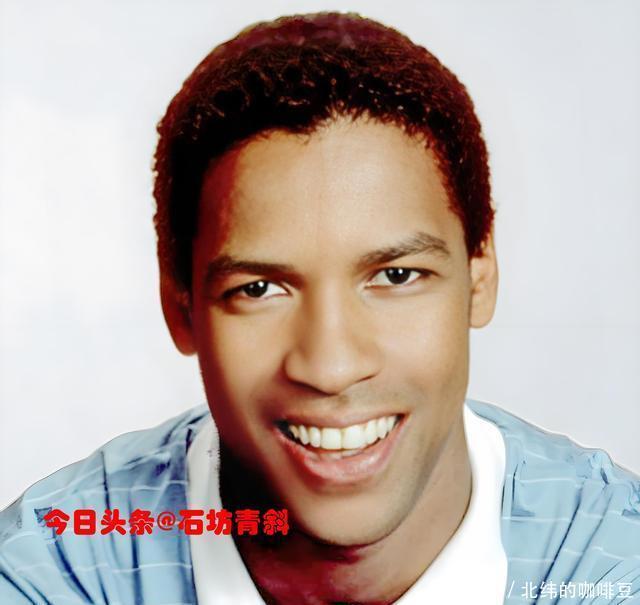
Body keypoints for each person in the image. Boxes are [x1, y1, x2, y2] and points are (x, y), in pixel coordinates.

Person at [1, 12, 638, 605]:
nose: (331, 368)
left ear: (480, 277)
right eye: (258, 289)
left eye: (396, 276)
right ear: (181, 308)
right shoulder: (57, 569)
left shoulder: (611, 561)